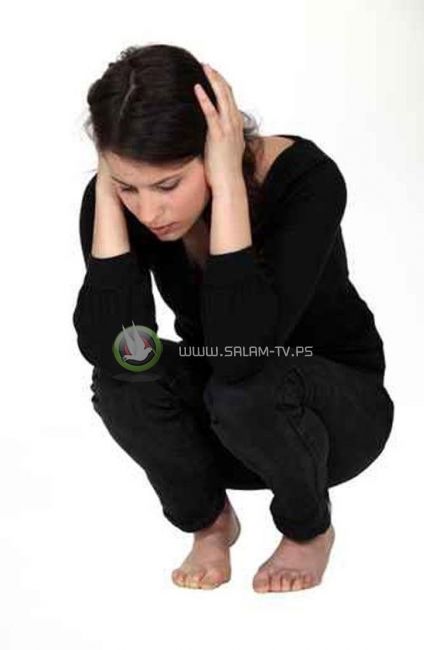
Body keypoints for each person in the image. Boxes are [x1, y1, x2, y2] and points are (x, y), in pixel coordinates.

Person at [72, 43, 395, 593]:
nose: (149, 212)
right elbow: (115, 349)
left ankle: (308, 530)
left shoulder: (306, 179)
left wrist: (227, 192)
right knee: (123, 377)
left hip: (334, 419)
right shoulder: (123, 201)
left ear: (214, 146)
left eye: (168, 185)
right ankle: (210, 521)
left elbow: (242, 355)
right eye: (127, 187)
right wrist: (105, 194)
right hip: (230, 424)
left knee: (244, 386)